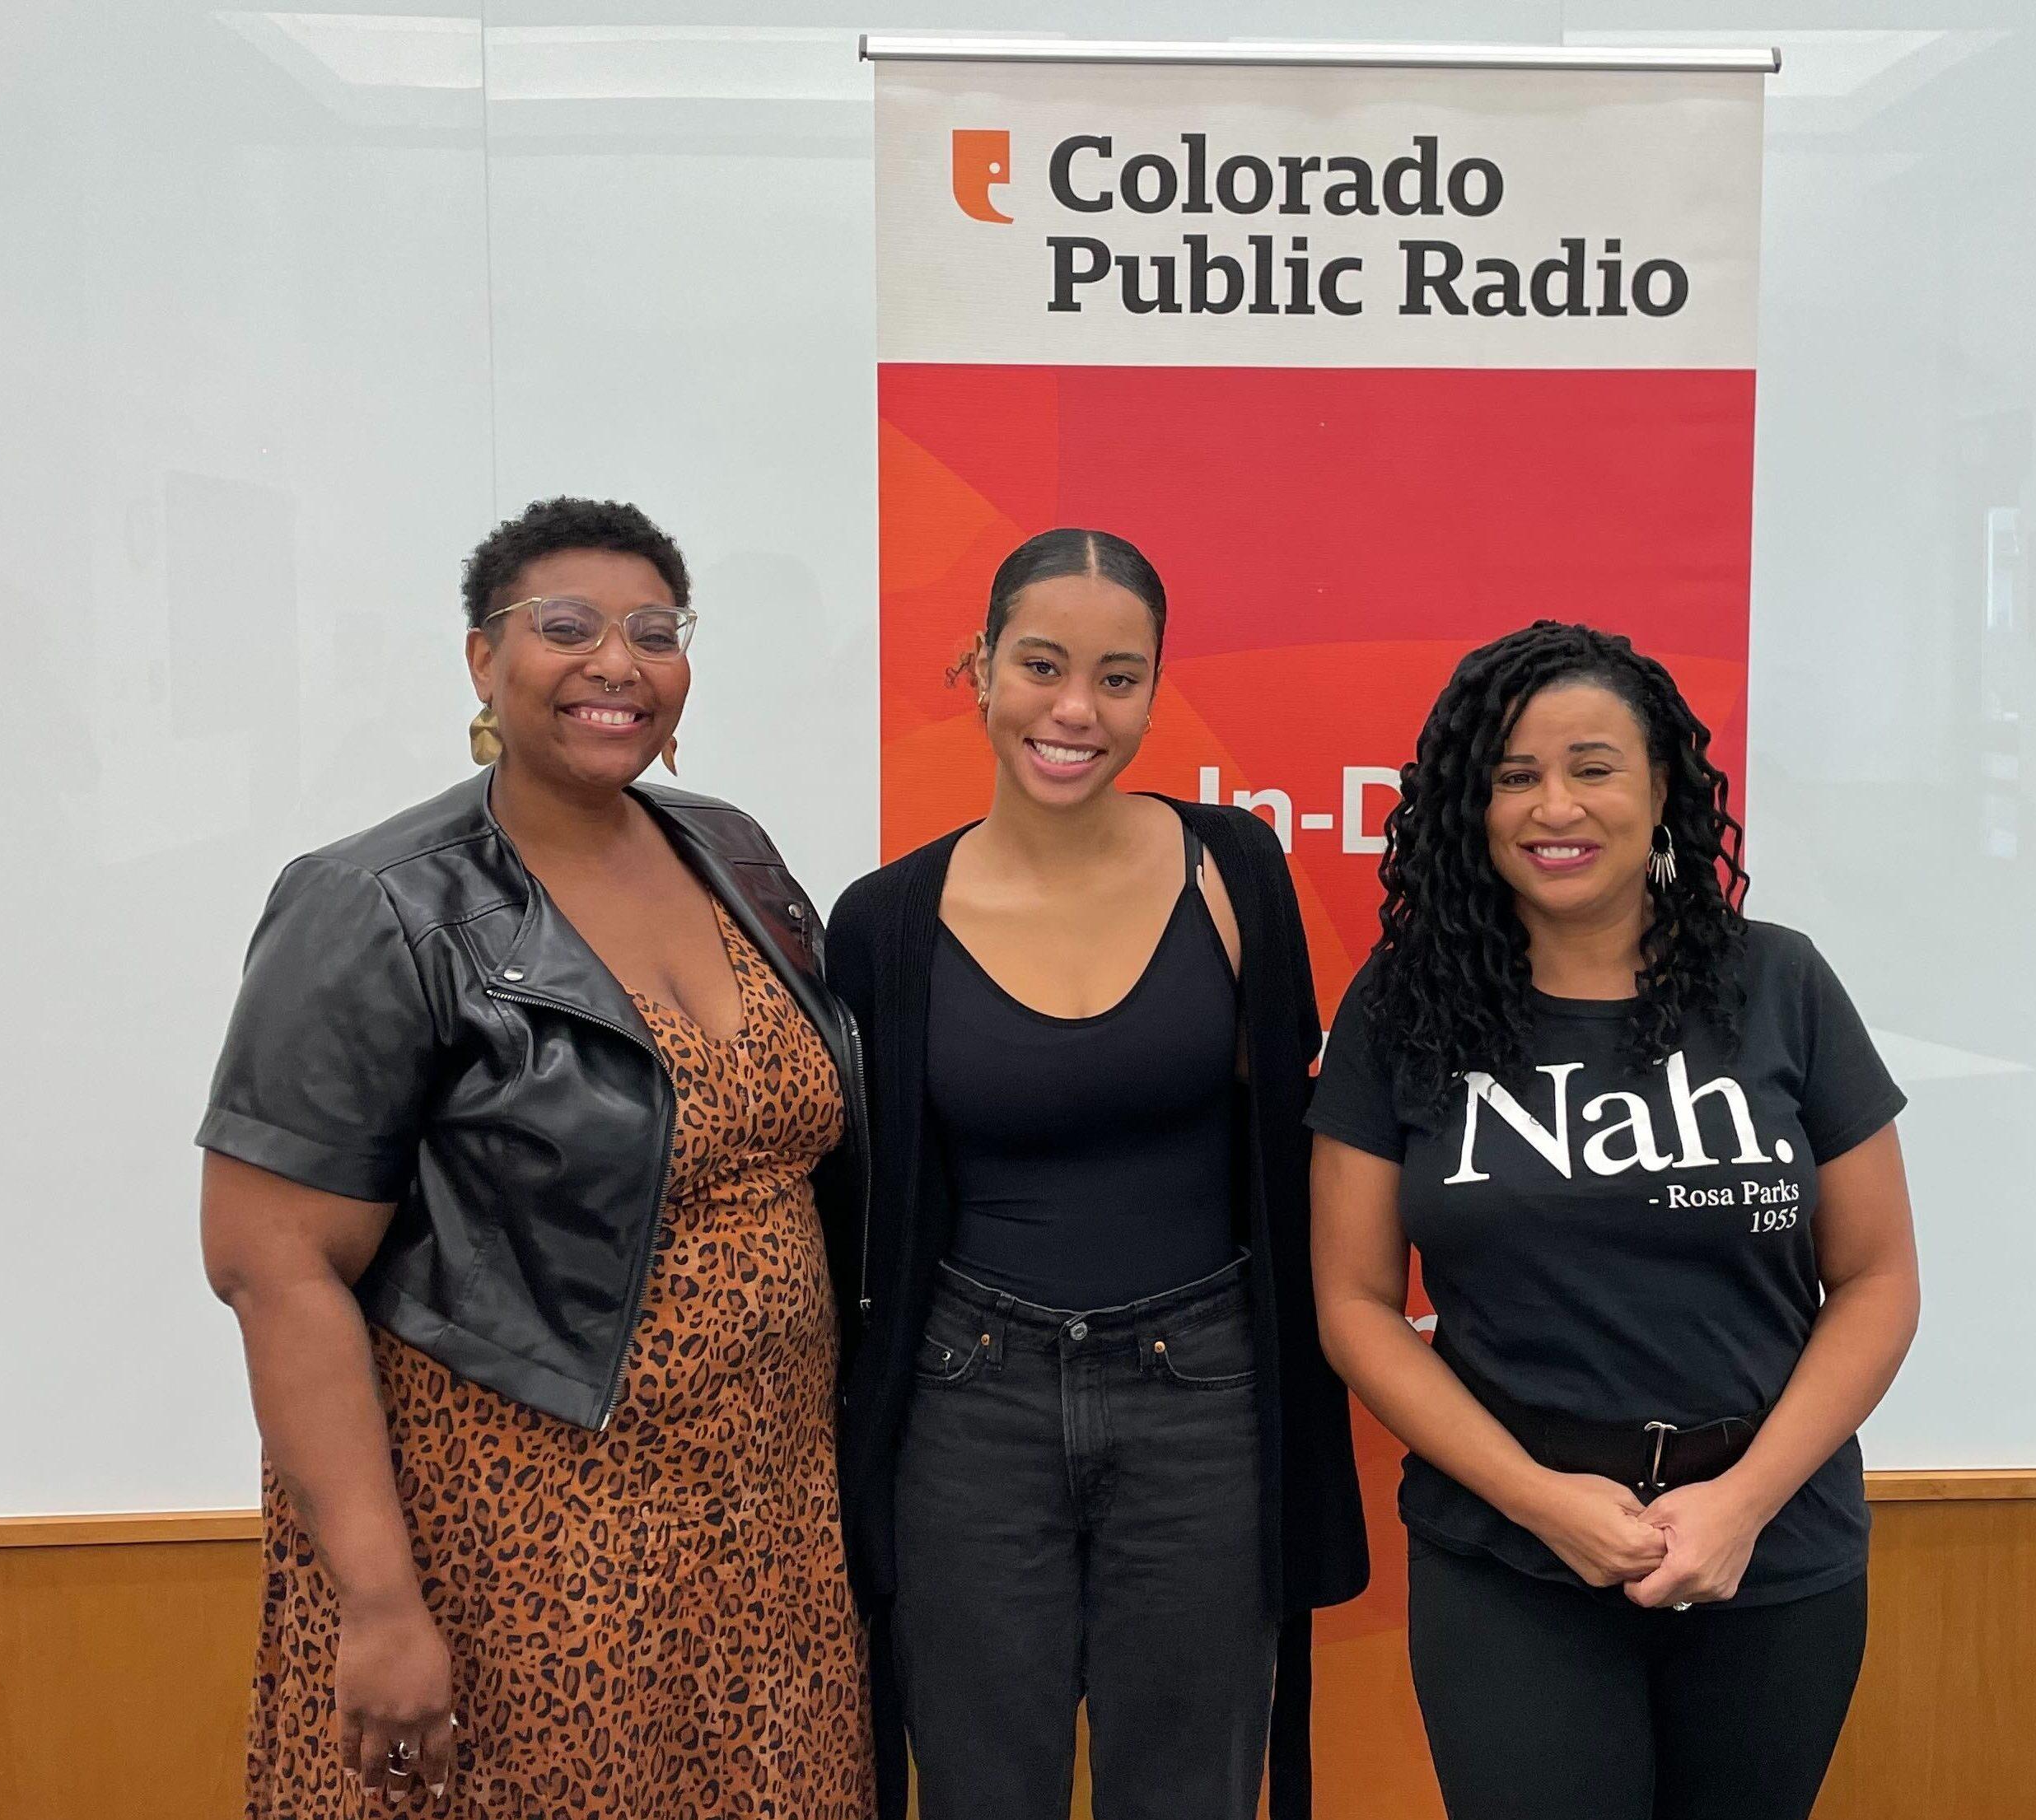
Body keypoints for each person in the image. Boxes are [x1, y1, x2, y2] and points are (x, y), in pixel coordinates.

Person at [197, 497, 874, 1818]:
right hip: (515, 1548)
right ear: (481, 661)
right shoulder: (379, 905)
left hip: (766, 1537)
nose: (616, 662)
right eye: (564, 626)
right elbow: (272, 1266)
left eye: (655, 631)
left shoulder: (731, 851)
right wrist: (381, 1599)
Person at [1307, 621, 1921, 1820]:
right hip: (1512, 1555)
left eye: (1593, 766)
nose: (1556, 805)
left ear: (1661, 792)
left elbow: (1879, 1279)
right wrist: (1542, 1497)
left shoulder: (1779, 984)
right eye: (1515, 774)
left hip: (1772, 1546)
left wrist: (1740, 1503)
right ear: (1468, 807)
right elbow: (1357, 1303)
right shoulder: (1403, 1004)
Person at [823, 528, 1369, 1820]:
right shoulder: (884, 921)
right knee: (978, 1787)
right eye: (1043, 665)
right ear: (979, 666)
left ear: (1155, 688)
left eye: (1118, 677)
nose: (1075, 710)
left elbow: (1293, 1158)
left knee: (1189, 1790)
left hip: (1207, 1396)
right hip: (968, 1408)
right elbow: (860, 1224)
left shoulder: (1234, 868)